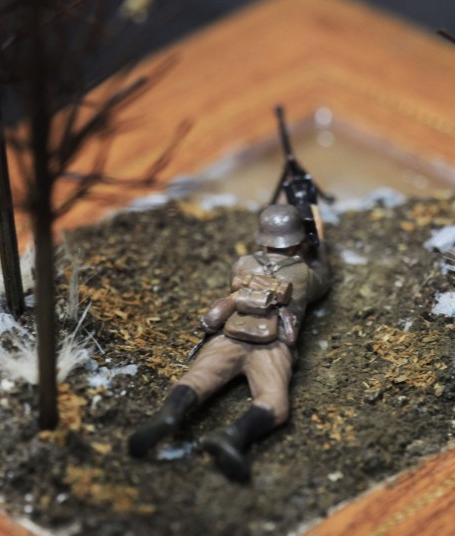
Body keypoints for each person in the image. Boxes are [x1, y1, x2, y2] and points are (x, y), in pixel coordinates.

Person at [128, 204, 331, 482]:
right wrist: (320, 247)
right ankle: (234, 435)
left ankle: (170, 415)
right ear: (297, 240)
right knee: (274, 402)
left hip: (230, 335)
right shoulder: (302, 273)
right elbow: (323, 283)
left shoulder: (242, 264)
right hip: (273, 346)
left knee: (198, 378)